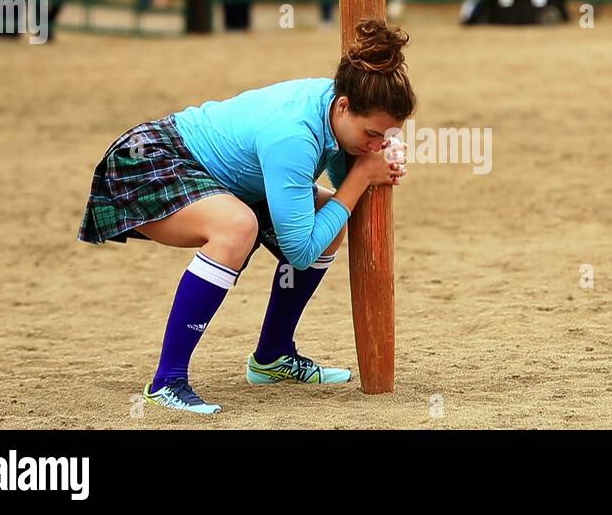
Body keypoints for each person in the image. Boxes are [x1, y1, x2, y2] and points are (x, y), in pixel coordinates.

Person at [77, 20, 414, 414]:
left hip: (221, 179)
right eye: (374, 134)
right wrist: (360, 176)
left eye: (387, 138)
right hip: (150, 160)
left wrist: (364, 166)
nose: (379, 145)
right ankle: (167, 381)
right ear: (343, 107)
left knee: (328, 219)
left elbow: (338, 192)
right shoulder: (294, 134)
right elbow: (301, 251)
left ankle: (272, 357)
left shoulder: (336, 106)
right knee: (237, 226)